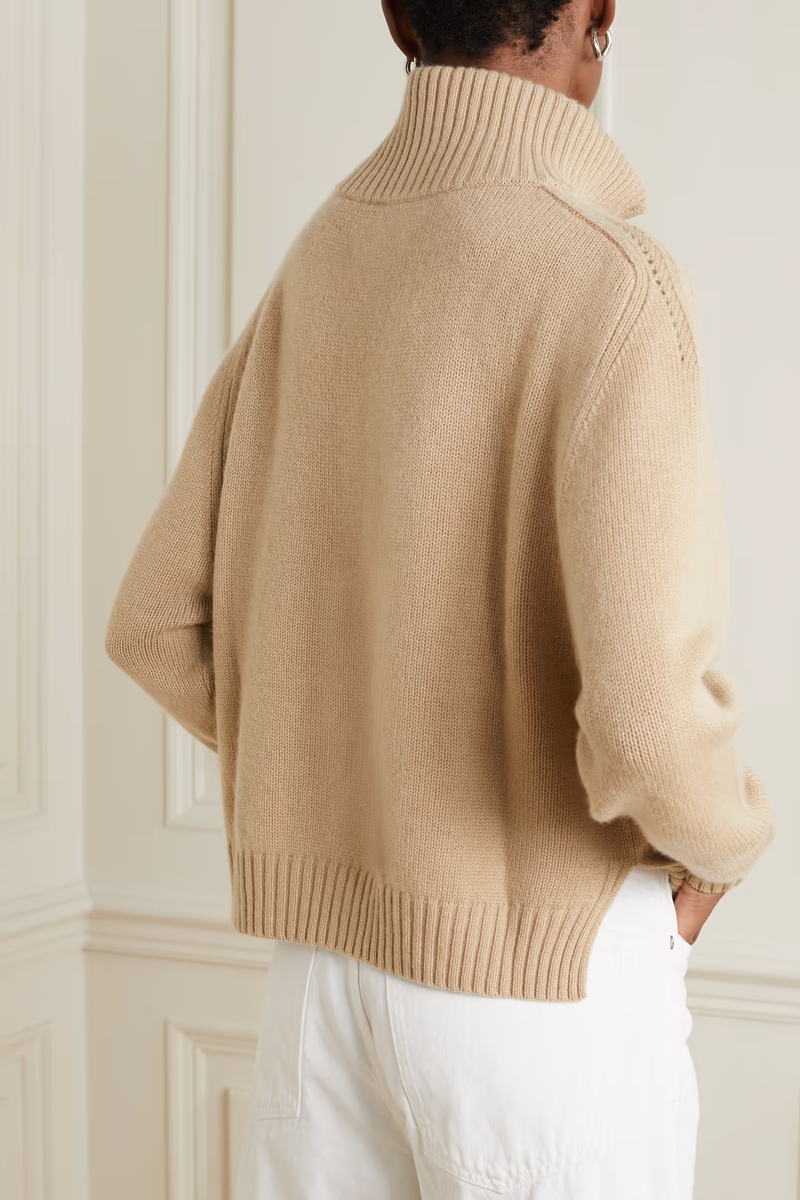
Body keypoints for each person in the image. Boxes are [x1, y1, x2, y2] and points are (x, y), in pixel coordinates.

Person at [105, 0, 775, 1195]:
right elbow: (644, 722)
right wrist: (723, 849)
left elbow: (157, 622)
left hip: (321, 984)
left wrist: (346, 771)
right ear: (590, 13)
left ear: (396, 15)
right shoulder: (611, 282)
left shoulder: (322, 257)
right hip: (543, 983)